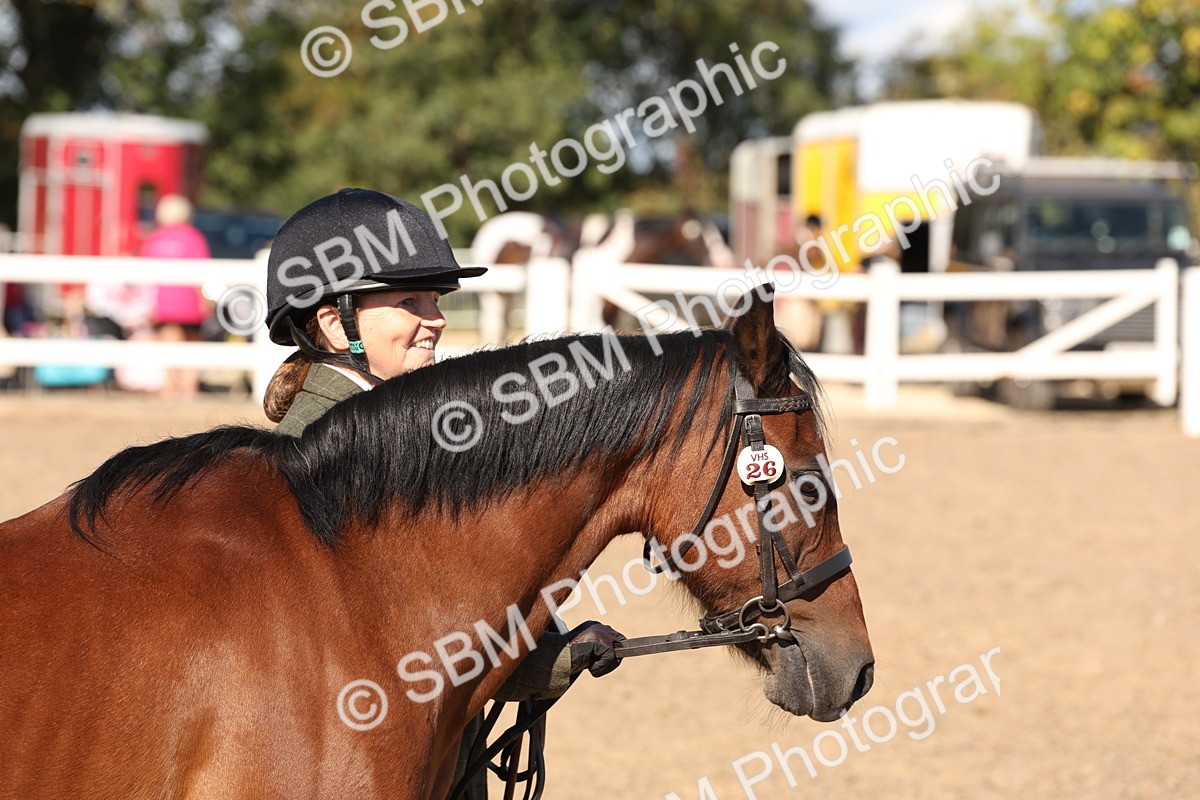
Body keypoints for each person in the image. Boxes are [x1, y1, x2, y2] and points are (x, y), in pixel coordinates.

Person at [262, 188, 625, 798]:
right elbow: (413, 635)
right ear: (334, 322)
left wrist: (557, 652)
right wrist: (553, 660)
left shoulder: (402, 438)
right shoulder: (323, 458)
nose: (435, 319)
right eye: (410, 301)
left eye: (436, 300)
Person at [140, 194, 212, 397]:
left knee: (169, 341)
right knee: (193, 343)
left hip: (162, 302)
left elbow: (144, 274)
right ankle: (188, 386)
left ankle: (169, 386)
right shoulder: (193, 237)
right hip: (189, 301)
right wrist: (204, 301)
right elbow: (202, 272)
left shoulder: (154, 238)